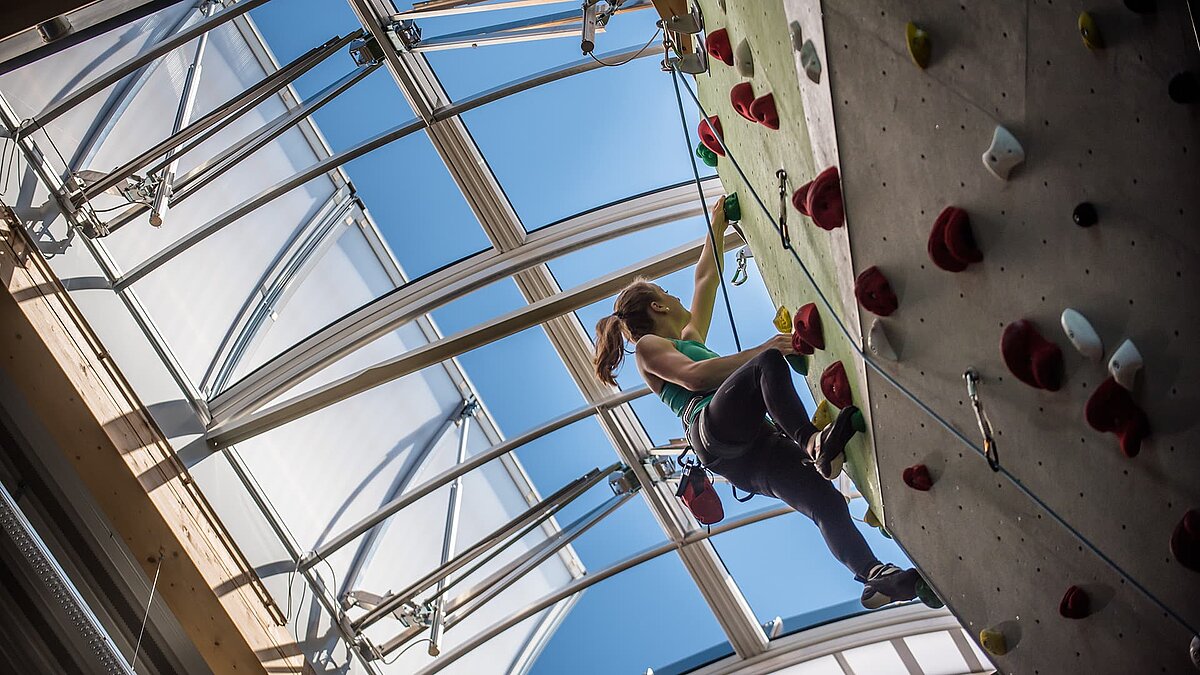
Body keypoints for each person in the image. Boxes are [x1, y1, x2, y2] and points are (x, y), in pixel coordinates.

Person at [592, 195, 919, 609]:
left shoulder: (689, 340)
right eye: (665, 293)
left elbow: (705, 280)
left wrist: (717, 223)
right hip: (712, 432)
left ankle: (874, 575)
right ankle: (813, 442)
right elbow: (694, 377)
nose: (675, 298)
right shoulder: (648, 347)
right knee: (766, 364)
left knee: (825, 501)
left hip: (749, 454)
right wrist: (764, 348)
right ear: (658, 306)